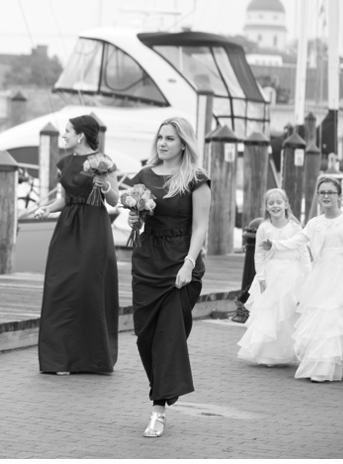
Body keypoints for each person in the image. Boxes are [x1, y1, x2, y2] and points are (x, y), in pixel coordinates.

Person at [126, 117, 210, 439]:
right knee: (145, 337)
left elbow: (200, 227)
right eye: (160, 137)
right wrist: (135, 218)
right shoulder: (145, 175)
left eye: (170, 138)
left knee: (168, 338)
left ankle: (157, 409)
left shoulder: (196, 179)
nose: (163, 143)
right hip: (147, 261)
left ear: (183, 143)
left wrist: (189, 264)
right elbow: (138, 219)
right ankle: (161, 387)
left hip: (180, 265)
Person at [32, 115, 119, 375]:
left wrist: (104, 186)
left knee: (86, 290)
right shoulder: (65, 162)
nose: (64, 135)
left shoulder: (105, 163)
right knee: (60, 287)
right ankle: (58, 359)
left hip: (93, 228)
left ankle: (89, 359)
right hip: (67, 229)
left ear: (80, 135)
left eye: (67, 131)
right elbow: (66, 198)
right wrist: (47, 209)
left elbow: (115, 200)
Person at [292, 177, 343, 382]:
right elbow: (298, 240)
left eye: (330, 192)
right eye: (322, 192)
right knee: (322, 318)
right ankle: (321, 366)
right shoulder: (315, 223)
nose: (326, 196)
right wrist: (275, 245)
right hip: (322, 276)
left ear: (339, 195)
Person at [237, 189, 310, 366]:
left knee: (288, 313)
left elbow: (303, 252)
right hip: (272, 273)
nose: (275, 206)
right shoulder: (264, 228)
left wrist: (308, 275)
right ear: (267, 207)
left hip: (292, 273)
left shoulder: (295, 227)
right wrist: (261, 277)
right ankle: (268, 354)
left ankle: (288, 352)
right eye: (271, 203)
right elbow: (259, 255)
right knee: (270, 312)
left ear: (286, 204)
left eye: (279, 202)